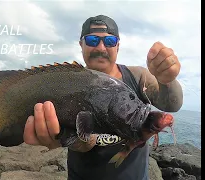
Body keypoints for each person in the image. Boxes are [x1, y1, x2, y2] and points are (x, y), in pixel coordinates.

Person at [23, 15, 183, 180]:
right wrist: (64, 137)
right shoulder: (70, 84)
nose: (101, 47)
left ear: (118, 46)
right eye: (92, 40)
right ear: (81, 44)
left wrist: (167, 80)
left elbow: (173, 105)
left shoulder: (137, 76)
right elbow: (84, 142)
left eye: (109, 41)